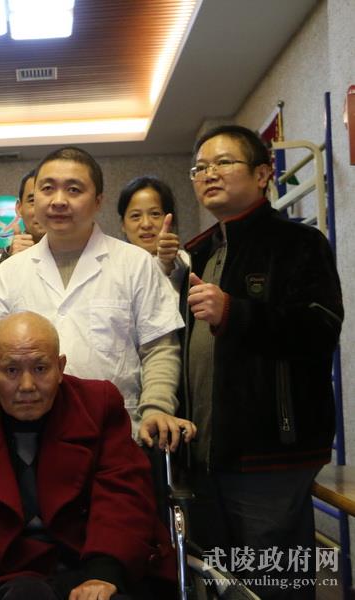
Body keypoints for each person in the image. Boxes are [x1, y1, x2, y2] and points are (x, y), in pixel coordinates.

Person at [0, 312, 176, 600]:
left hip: (88, 565)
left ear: (60, 367)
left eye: (40, 368)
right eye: (11, 371)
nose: (27, 385)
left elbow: (124, 494)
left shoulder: (97, 405)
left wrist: (104, 572)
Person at [183, 125, 343, 599]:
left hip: (272, 454)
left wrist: (234, 312)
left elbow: (321, 328)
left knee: (274, 585)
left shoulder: (298, 243)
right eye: (200, 167)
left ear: (262, 174)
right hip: (205, 455)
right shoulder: (198, 251)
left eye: (223, 162)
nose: (209, 173)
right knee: (222, 586)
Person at [0, 146, 193, 449]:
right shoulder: (8, 272)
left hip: (114, 433)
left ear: (98, 200)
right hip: (26, 437)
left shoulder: (135, 263)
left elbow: (159, 346)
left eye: (74, 189)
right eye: (47, 189)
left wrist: (156, 408)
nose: (58, 200)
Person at [116, 175, 187, 292]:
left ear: (170, 219)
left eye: (155, 214)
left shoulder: (188, 262)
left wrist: (170, 264)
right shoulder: (113, 267)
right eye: (135, 215)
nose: (146, 224)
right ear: (123, 224)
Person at [0, 168, 45, 282]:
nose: (41, 209)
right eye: (33, 201)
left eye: (47, 200)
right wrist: (10, 263)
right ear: (19, 208)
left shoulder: (80, 259)